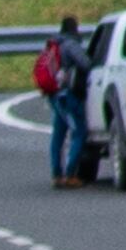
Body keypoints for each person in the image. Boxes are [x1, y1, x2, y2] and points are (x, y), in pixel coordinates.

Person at [42, 15, 89, 186]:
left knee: (58, 134)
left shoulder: (52, 45)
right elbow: (86, 64)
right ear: (74, 29)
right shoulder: (70, 45)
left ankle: (56, 174)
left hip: (54, 95)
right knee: (79, 131)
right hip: (68, 94)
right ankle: (70, 175)